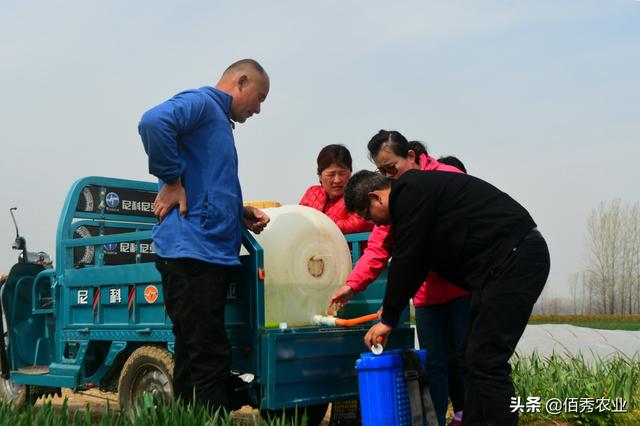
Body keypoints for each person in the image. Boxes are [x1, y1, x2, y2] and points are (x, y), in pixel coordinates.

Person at [344, 169, 550, 426]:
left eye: (370, 217)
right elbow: (416, 265)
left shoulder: (409, 191)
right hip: (498, 269)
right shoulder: (416, 203)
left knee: (487, 360)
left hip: (515, 258)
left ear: (376, 197)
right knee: (471, 357)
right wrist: (390, 309)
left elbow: (407, 259)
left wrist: (388, 318)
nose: (378, 225)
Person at [138, 59, 270, 413]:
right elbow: (153, 121)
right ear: (240, 81)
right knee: (208, 353)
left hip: (205, 252)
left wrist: (238, 209)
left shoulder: (219, 123)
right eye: (258, 98)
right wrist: (171, 178)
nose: (258, 109)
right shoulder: (201, 103)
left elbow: (209, 183)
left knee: (194, 350)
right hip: (190, 250)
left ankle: (188, 417)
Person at [329, 131, 469, 426]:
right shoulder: (394, 200)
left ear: (411, 157)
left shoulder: (446, 176)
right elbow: (379, 247)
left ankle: (473, 415)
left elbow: (426, 247)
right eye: (384, 171)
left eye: (391, 168)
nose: (390, 176)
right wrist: (352, 285)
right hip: (428, 294)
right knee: (433, 364)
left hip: (462, 286)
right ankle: (435, 422)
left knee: (471, 360)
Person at [300, 144, 374, 234]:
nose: (337, 180)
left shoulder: (358, 194)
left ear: (350, 173)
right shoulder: (312, 193)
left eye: (342, 173)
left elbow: (359, 224)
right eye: (331, 174)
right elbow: (299, 221)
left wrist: (322, 225)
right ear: (320, 176)